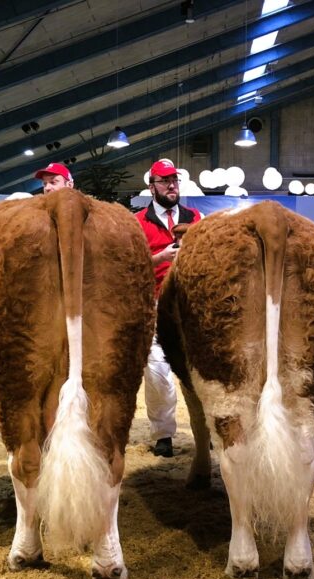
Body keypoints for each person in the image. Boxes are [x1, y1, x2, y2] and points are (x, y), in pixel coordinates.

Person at [135, 158, 202, 458]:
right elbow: (132, 268)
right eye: (164, 181)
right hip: (156, 304)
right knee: (158, 372)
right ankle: (163, 433)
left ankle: (203, 430)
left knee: (197, 372)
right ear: (152, 187)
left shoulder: (195, 216)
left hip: (189, 305)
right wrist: (161, 257)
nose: (172, 185)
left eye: (174, 179)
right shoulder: (138, 222)